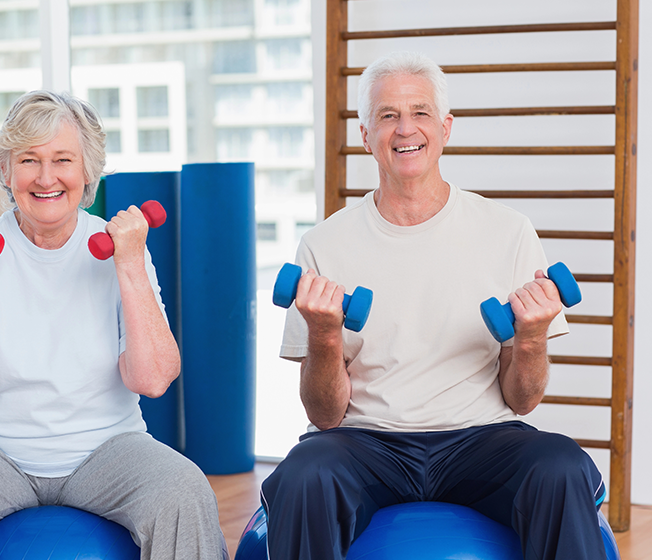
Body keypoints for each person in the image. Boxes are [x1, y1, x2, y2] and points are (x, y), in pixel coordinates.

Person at [260, 52, 607, 560]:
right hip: (365, 442)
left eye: (420, 112)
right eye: (387, 115)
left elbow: (523, 400)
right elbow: (324, 414)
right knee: (304, 473)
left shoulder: (508, 231)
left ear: (445, 128)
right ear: (364, 136)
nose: (406, 129)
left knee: (561, 463)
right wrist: (325, 336)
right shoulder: (323, 245)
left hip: (481, 438)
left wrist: (530, 339)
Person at [0, 91, 227, 560]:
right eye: (28, 160)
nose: (46, 178)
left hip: (106, 448)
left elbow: (153, 378)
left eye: (63, 159)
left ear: (87, 172)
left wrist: (129, 267)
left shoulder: (121, 249)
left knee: (185, 491)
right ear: (5, 170)